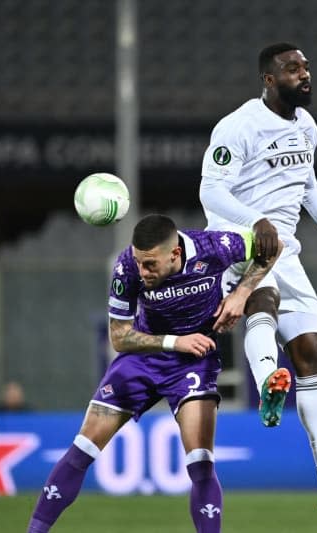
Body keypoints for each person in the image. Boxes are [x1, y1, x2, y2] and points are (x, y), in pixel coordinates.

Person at [199, 42, 317, 516]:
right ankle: (267, 380)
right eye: (291, 69)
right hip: (239, 241)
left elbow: (307, 184)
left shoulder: (307, 127)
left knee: (311, 355)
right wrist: (255, 222)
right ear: (269, 79)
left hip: (286, 249)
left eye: (305, 68)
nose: (303, 75)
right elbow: (211, 189)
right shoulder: (237, 127)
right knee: (262, 299)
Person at [27, 214, 283, 533]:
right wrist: (176, 342)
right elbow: (119, 336)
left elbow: (271, 246)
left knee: (201, 463)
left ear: (174, 254)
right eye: (139, 262)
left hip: (195, 362)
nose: (142, 271)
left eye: (150, 264)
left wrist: (241, 293)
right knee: (82, 449)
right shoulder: (127, 267)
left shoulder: (215, 248)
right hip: (144, 358)